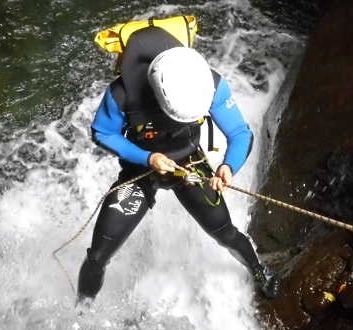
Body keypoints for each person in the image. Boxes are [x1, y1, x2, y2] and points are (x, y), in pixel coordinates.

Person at [77, 25, 278, 302]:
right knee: (98, 255)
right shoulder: (122, 93)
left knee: (225, 233)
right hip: (140, 170)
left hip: (190, 163)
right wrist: (147, 158)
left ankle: (257, 270)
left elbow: (239, 133)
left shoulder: (208, 83)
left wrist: (228, 167)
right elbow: (102, 132)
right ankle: (83, 307)